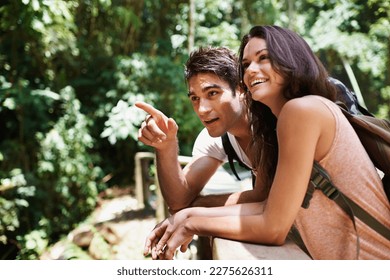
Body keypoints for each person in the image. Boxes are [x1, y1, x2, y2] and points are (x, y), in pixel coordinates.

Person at [143, 25, 390, 260]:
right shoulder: (279, 123)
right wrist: (187, 215)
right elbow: (266, 205)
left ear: (291, 61)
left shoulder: (302, 111)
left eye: (264, 58)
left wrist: (192, 221)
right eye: (246, 64)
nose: (251, 70)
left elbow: (273, 227)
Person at [136, 47, 264, 214]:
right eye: (195, 98)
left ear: (240, 88)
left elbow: (268, 195)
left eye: (212, 93)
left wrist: (197, 205)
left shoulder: (269, 122)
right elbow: (178, 201)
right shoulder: (215, 139)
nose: (202, 110)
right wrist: (166, 147)